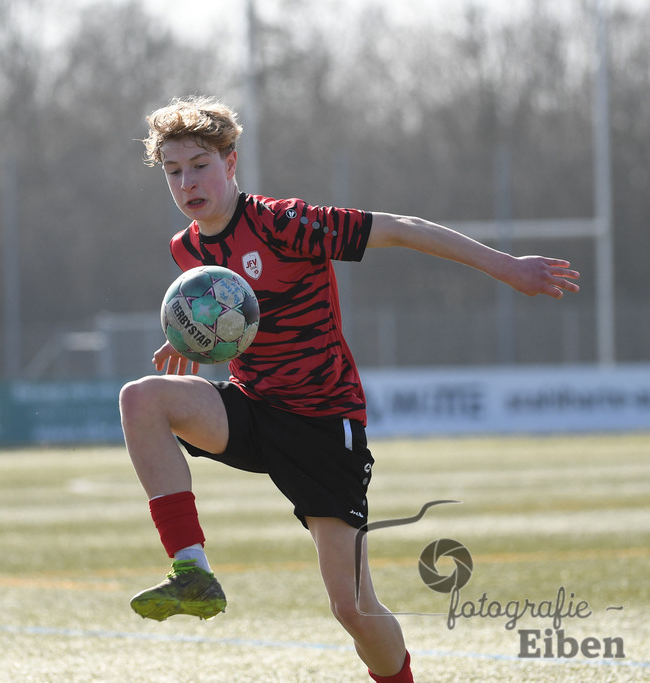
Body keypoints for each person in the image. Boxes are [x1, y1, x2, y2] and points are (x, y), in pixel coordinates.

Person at [119, 96, 580, 682]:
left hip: (321, 424)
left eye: (201, 164)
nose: (188, 182)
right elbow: (232, 319)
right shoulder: (187, 250)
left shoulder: (285, 223)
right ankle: (192, 570)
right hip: (252, 408)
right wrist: (188, 340)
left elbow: (403, 230)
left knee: (352, 609)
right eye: (173, 170)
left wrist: (507, 267)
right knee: (142, 397)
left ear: (231, 162)